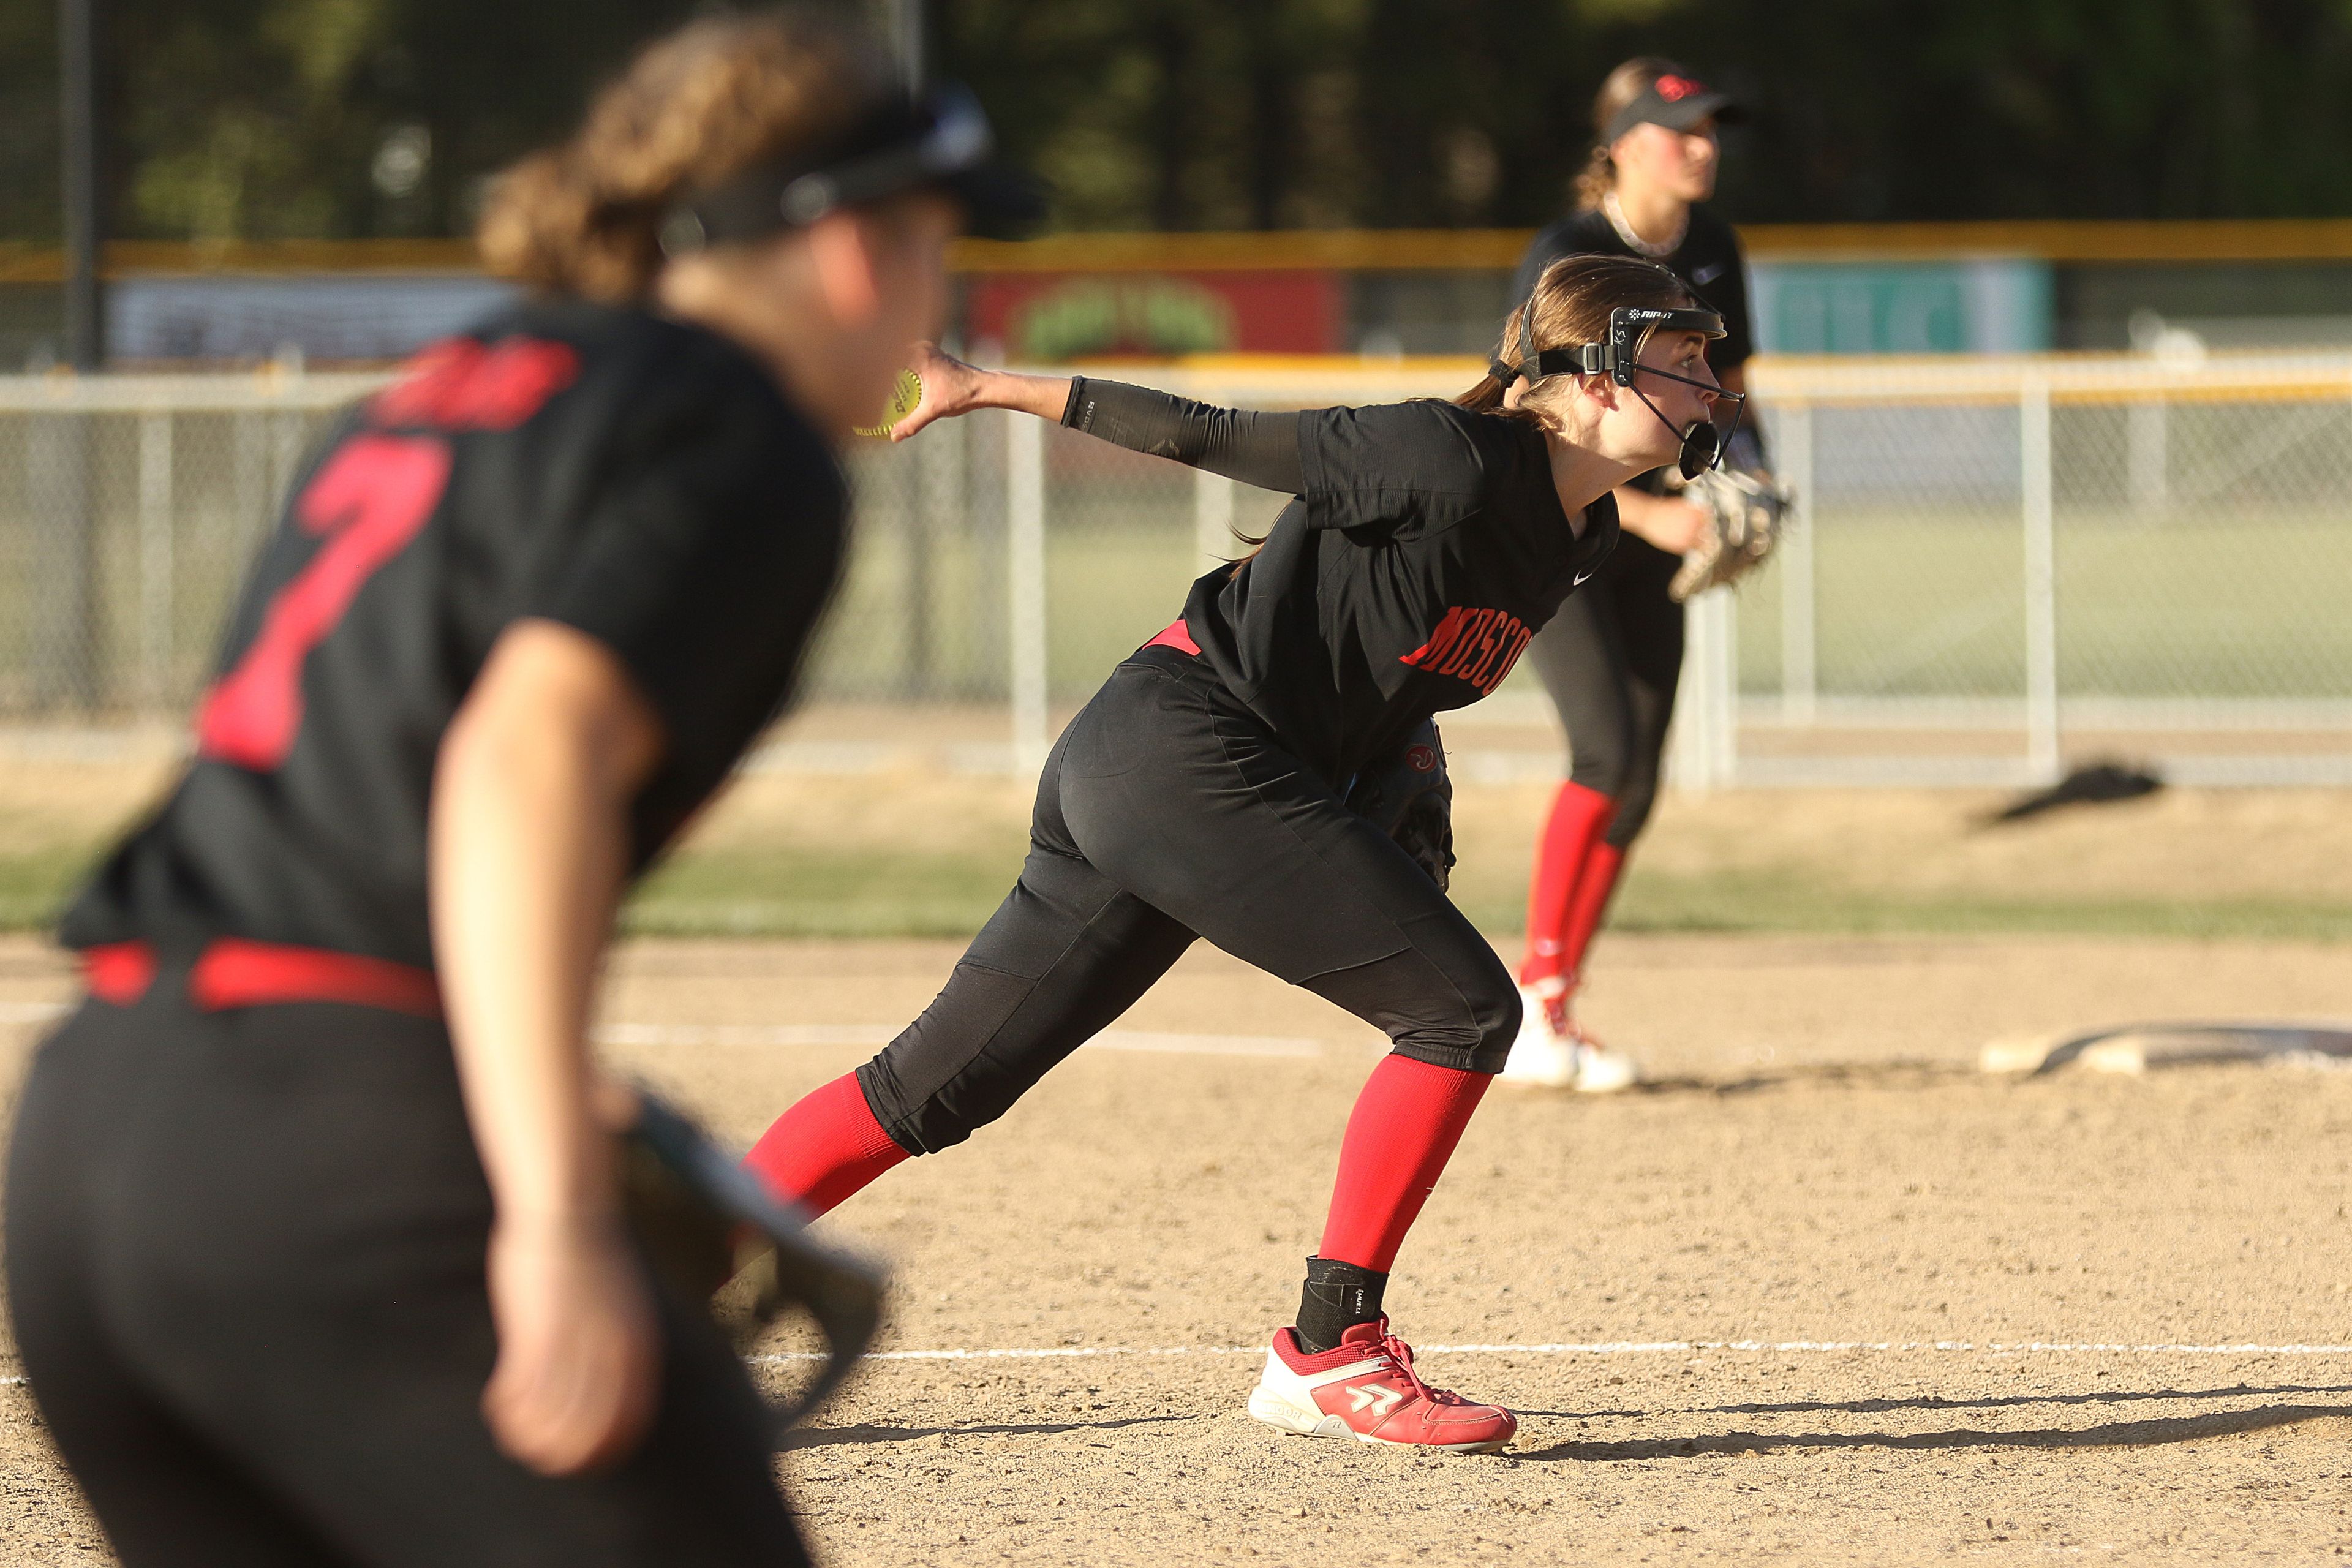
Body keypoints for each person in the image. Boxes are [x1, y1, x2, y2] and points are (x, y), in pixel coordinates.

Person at [4, 13, 1031, 1564]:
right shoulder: (737, 429)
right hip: (337, 1155)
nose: (936, 297)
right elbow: (525, 751)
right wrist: (550, 1205)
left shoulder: (459, 384)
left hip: (97, 1141)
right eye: (932, 246)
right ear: (841, 248)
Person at [742, 252, 1738, 1452]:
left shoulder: (1574, 534)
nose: (1701, 377)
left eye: (1703, 357)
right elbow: (1216, 433)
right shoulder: (1451, 455)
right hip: (1185, 747)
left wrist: (1408, 757)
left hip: (1171, 767)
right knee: (1466, 1009)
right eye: (1673, 355)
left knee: (932, 1088)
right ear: (1580, 373)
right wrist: (989, 387)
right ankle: (1328, 1347)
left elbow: (1387, 647)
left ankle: (637, 1290)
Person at [1501, 58, 1761, 1093]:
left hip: (1655, 534)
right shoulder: (1567, 254)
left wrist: (1755, 486)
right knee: (1605, 752)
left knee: (1642, 775)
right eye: (1679, 129)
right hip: (1561, 529)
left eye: (1708, 129)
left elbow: (1731, 391)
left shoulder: (1715, 247)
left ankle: (1553, 1004)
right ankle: (1533, 1005)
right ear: (1623, 144)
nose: (1700, 146)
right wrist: (1651, 513)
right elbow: (1533, 416)